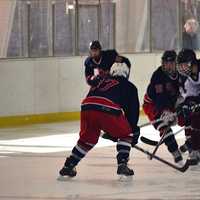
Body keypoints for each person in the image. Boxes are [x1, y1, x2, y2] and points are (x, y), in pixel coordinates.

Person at [58, 63, 140, 179]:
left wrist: (112, 131)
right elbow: (132, 113)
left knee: (87, 140)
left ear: (112, 72)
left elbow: (94, 101)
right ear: (127, 74)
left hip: (87, 106)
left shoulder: (102, 81)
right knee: (126, 134)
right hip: (106, 108)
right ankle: (122, 164)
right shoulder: (129, 86)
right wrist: (133, 132)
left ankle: (69, 165)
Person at [143, 50, 183, 164]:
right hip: (153, 105)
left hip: (172, 103)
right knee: (164, 127)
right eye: (166, 63)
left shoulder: (181, 72)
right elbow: (160, 98)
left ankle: (191, 147)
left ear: (176, 63)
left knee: (189, 117)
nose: (169, 66)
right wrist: (166, 111)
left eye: (171, 63)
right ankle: (176, 153)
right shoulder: (158, 76)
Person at [176, 48, 200, 165]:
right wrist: (185, 105)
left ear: (191, 63)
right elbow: (190, 95)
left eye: (184, 65)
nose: (182, 68)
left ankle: (194, 146)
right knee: (187, 113)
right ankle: (192, 144)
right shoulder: (186, 78)